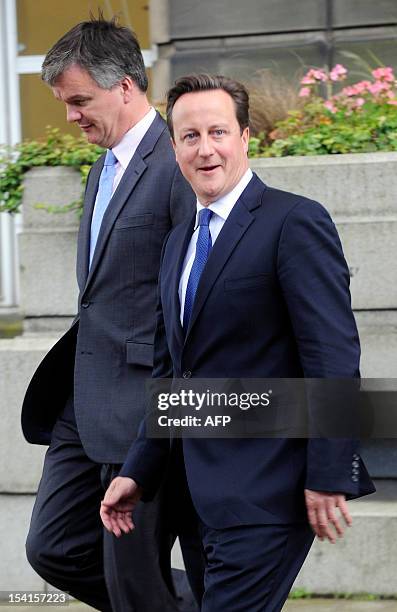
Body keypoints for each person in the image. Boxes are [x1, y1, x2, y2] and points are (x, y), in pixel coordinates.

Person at [100, 74, 376, 611]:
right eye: (190, 136)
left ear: (246, 137)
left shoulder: (294, 222)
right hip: (196, 498)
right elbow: (170, 371)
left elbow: (334, 358)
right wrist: (139, 467)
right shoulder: (179, 239)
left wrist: (328, 474)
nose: (206, 150)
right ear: (174, 147)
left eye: (218, 132)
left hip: (267, 491)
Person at [22, 17, 203, 612]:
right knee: (53, 549)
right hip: (83, 400)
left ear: (126, 86)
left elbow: (199, 302)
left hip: (146, 409)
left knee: (133, 574)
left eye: (80, 101)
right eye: (65, 103)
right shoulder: (102, 167)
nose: (70, 116)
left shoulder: (182, 164)